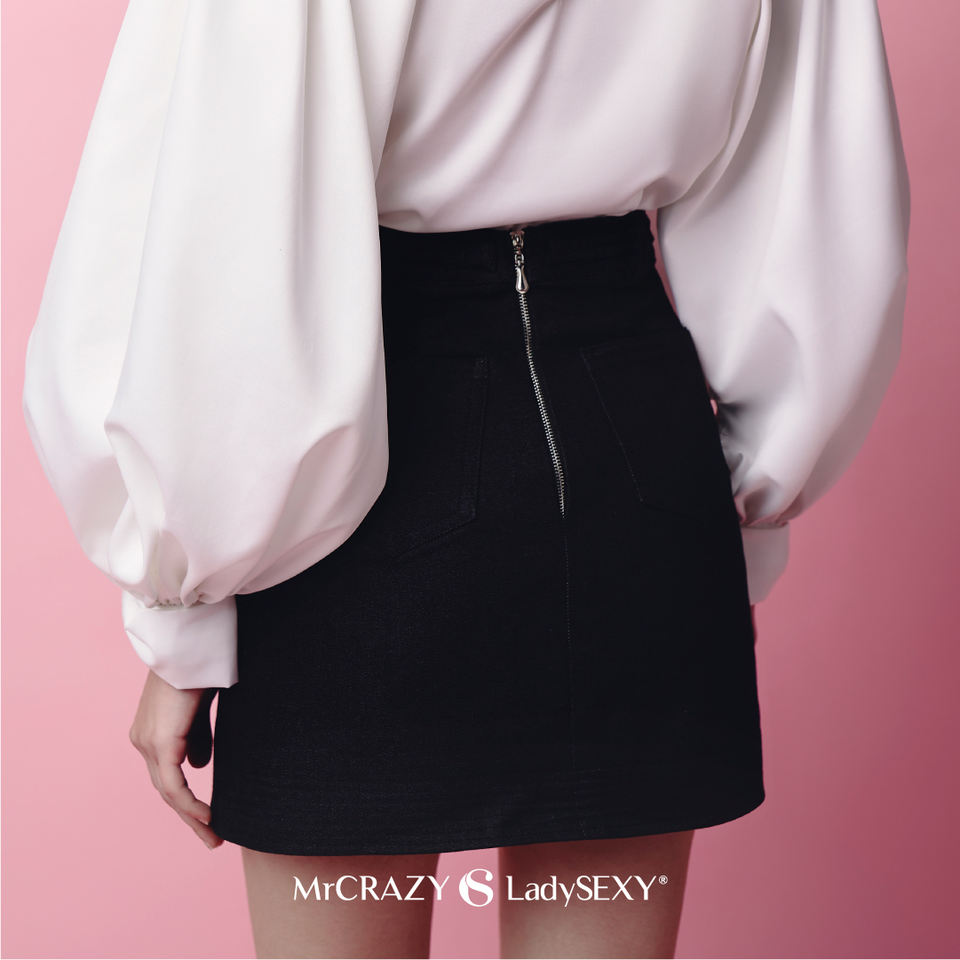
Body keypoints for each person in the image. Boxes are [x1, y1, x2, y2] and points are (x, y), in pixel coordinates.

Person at [21, 0, 909, 957]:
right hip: (635, 455)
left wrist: (181, 613)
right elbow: (808, 195)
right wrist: (743, 521)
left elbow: (208, 205)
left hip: (353, 462)